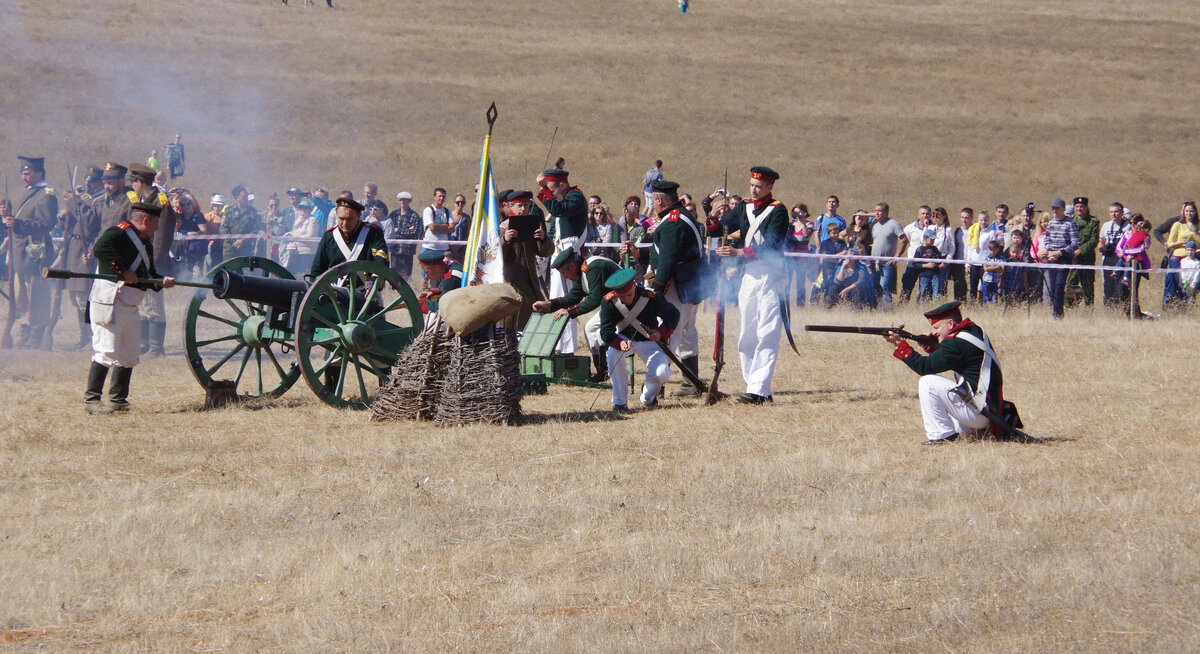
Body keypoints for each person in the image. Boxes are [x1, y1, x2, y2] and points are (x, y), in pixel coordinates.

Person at [83, 202, 175, 413]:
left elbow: (148, 274)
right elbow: (100, 248)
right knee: (106, 350)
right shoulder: (118, 233)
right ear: (146, 220)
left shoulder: (146, 244)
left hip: (130, 303)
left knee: (128, 352)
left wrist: (161, 281)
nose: (157, 228)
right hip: (110, 300)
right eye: (156, 223)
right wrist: (123, 270)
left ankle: (118, 400)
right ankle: (92, 400)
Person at [715, 166, 788, 405]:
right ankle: (756, 388)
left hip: (770, 277)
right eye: (752, 185)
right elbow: (717, 228)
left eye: (759, 186)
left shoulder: (778, 211)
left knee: (766, 332)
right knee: (747, 333)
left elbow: (772, 247)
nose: (754, 190)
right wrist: (715, 213)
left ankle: (757, 390)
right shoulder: (744, 207)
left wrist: (738, 252)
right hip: (748, 277)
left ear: (769, 187)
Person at [883, 301, 1005, 444]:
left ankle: (941, 435)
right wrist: (933, 345)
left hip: (978, 413)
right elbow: (955, 357)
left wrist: (900, 344)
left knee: (927, 382)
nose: (934, 332)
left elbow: (924, 367)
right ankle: (962, 430)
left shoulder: (953, 343)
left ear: (951, 324)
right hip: (988, 410)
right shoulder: (975, 330)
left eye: (937, 327)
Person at [642, 179, 705, 397]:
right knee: (686, 334)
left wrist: (656, 293)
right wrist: (638, 254)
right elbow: (664, 252)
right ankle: (691, 383)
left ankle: (654, 386)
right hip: (688, 285)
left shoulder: (673, 223)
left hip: (677, 287)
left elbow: (667, 261)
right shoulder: (676, 218)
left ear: (659, 200)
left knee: (669, 334)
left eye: (652, 199)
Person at [532, 249, 621, 382]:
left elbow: (594, 299)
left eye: (564, 272)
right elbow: (573, 296)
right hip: (613, 305)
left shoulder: (594, 268)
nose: (564, 276)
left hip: (625, 303)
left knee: (599, 332)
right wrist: (548, 304)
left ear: (572, 266)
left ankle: (609, 369)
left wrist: (569, 312)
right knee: (590, 329)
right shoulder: (584, 270)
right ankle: (602, 372)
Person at [598, 268, 678, 414]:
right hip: (624, 339)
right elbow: (606, 331)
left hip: (650, 341)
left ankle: (648, 397)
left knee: (662, 372)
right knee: (612, 355)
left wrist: (660, 333)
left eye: (629, 294)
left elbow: (673, 314)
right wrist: (618, 343)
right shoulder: (609, 301)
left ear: (634, 285)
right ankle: (619, 402)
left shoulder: (651, 296)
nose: (626, 299)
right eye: (622, 297)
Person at [2, 156, 58, 348]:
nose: (24, 177)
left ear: (39, 173)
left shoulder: (46, 194)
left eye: (27, 173)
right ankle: (25, 333)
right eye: (22, 173)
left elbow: (46, 224)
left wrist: (17, 223)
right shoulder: (30, 192)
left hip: (35, 253)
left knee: (37, 297)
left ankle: (36, 338)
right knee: (21, 296)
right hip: (20, 252)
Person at [536, 168, 588, 354]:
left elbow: (558, 210)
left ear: (561, 184)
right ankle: (557, 345)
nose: (550, 192)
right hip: (560, 251)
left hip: (569, 253)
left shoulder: (575, 197)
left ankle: (567, 349)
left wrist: (544, 190)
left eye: (551, 188)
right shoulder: (564, 199)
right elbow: (555, 229)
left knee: (566, 299)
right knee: (556, 298)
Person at [127, 164, 176, 357]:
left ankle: (156, 348)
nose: (131, 186)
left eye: (133, 182)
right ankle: (144, 345)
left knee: (154, 306)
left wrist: (152, 264)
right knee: (144, 304)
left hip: (154, 262)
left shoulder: (160, 202)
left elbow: (161, 238)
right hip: (141, 260)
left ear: (140, 182)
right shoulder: (144, 200)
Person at [54, 166, 105, 349]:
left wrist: (74, 202)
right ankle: (84, 336)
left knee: (85, 298)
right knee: (76, 299)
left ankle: (94, 336)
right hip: (73, 250)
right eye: (86, 180)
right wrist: (64, 215)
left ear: (100, 182)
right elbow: (68, 224)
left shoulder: (102, 200)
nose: (87, 184)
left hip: (87, 249)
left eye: (91, 181)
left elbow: (91, 222)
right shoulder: (85, 199)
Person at [499, 190, 554, 330]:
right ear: (510, 206)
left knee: (536, 315)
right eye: (519, 206)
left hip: (531, 281)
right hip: (511, 282)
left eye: (526, 205)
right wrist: (505, 240)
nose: (523, 209)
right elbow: (495, 257)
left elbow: (546, 252)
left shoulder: (533, 225)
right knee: (515, 319)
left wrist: (543, 239)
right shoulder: (502, 227)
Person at [310, 197, 389, 277]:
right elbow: (317, 269)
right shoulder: (329, 236)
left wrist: (373, 283)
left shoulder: (373, 233)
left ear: (359, 216)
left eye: (350, 219)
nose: (345, 223)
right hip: (335, 288)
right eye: (341, 219)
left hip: (365, 287)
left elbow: (381, 262)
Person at [1038, 199, 1080, 318]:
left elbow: (1075, 242)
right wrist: (1049, 251)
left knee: (1059, 285)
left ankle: (1058, 313)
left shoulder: (1069, 223)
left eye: (1057, 208)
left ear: (1063, 209)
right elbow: (1046, 239)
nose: (1054, 211)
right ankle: (1054, 311)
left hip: (1064, 258)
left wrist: (1060, 252)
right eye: (1053, 208)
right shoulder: (1051, 223)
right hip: (1052, 257)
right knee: (1052, 286)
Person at [869, 203, 907, 307]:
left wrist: (896, 257)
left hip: (887, 264)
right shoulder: (874, 225)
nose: (877, 213)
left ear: (886, 212)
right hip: (874, 263)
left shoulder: (893, 224)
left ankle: (886, 309)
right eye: (875, 210)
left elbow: (904, 240)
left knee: (884, 286)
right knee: (875, 286)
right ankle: (876, 307)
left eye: (880, 211)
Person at [1163, 202, 1200, 307]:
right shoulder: (1178, 225)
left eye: (1191, 211)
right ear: (1183, 212)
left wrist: (1195, 233)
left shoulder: (1198, 225)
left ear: (1195, 212)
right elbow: (1170, 244)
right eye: (1187, 211)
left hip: (1195, 256)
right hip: (1179, 255)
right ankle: (1170, 300)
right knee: (1175, 278)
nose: (1189, 213)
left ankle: (1190, 300)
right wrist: (1181, 242)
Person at [1099, 201, 1131, 307]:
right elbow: (1101, 239)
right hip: (1108, 257)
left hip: (1121, 258)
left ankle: (1122, 305)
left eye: (1116, 211)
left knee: (1120, 285)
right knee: (1108, 284)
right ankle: (1109, 306)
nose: (1114, 214)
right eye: (1111, 212)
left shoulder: (1128, 226)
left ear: (1122, 213)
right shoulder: (1106, 225)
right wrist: (1101, 247)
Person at [1068, 197, 1099, 306]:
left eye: (1082, 206)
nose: (1079, 209)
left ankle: (1089, 311)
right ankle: (1070, 307)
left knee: (1088, 287)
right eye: (1077, 206)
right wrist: (1072, 253)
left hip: (1087, 259)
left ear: (1086, 207)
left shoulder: (1093, 221)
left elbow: (1093, 240)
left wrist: (1080, 251)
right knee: (1070, 285)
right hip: (1073, 260)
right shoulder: (1070, 221)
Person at [384, 191, 422, 278]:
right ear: (398, 201)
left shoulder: (414, 215)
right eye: (401, 200)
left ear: (409, 201)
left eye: (405, 200)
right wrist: (406, 230)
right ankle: (392, 291)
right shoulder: (393, 215)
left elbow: (414, 233)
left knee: (406, 276)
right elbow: (390, 231)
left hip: (407, 251)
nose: (403, 202)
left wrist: (398, 230)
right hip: (395, 250)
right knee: (393, 275)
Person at [220, 185, 264, 259]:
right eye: (244, 196)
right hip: (230, 249)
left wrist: (242, 241)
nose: (247, 198)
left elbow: (255, 229)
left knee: (247, 270)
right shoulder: (229, 210)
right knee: (229, 270)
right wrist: (234, 241)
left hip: (246, 248)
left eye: (247, 196)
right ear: (237, 198)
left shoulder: (252, 211)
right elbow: (223, 228)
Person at [415, 248, 463, 313]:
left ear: (436, 267)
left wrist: (421, 306)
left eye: (427, 272)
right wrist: (435, 293)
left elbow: (444, 305)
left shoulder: (450, 278)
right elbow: (452, 290)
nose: (426, 276)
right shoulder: (453, 264)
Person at [900, 205, 931, 302]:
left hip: (927, 263)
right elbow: (905, 242)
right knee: (907, 286)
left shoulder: (933, 228)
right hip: (913, 262)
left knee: (925, 289)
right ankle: (903, 305)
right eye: (923, 213)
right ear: (918, 215)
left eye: (927, 214)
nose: (925, 216)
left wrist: (927, 227)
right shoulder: (910, 228)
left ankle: (920, 307)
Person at [281, 199, 319, 275]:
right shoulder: (298, 219)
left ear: (309, 209)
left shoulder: (312, 220)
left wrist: (294, 236)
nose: (303, 210)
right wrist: (289, 235)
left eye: (305, 208)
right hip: (295, 252)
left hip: (307, 253)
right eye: (301, 208)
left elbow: (310, 236)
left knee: (305, 274)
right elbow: (294, 232)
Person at [786, 202, 814, 305]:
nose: (797, 215)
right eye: (795, 212)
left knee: (800, 281)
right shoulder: (790, 224)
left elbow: (806, 235)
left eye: (799, 212)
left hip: (802, 256)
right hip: (790, 255)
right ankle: (785, 302)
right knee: (787, 279)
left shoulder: (809, 224)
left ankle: (800, 305)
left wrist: (802, 222)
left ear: (805, 213)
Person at [913, 228, 943, 302]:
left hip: (935, 274)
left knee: (937, 293)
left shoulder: (935, 249)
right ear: (925, 238)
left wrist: (942, 263)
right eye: (931, 239)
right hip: (924, 275)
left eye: (934, 240)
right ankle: (922, 306)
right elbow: (915, 264)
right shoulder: (919, 250)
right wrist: (926, 265)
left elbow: (940, 258)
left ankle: (937, 306)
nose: (933, 241)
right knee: (923, 292)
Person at [421, 187, 454, 253]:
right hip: (429, 247)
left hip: (443, 248)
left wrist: (437, 227)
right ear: (434, 197)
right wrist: (445, 226)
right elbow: (432, 227)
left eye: (443, 196)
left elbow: (452, 228)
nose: (441, 198)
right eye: (439, 196)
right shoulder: (428, 210)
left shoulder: (447, 211)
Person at [979, 239, 1007, 304]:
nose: (992, 252)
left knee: (994, 299)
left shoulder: (1001, 258)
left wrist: (990, 267)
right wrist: (996, 266)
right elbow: (985, 268)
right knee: (986, 298)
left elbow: (1002, 269)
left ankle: (993, 311)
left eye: (994, 250)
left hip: (995, 281)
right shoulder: (986, 257)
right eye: (991, 250)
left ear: (998, 249)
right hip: (986, 281)